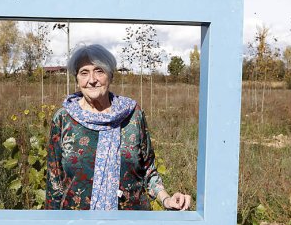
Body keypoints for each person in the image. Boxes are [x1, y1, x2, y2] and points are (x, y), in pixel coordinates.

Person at [45, 44, 191, 211]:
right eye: (84, 72)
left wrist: (167, 199)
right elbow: (54, 182)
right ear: (77, 79)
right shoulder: (64, 118)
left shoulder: (132, 114)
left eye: (99, 71)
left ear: (111, 75)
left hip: (131, 224)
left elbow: (148, 171)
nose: (92, 79)